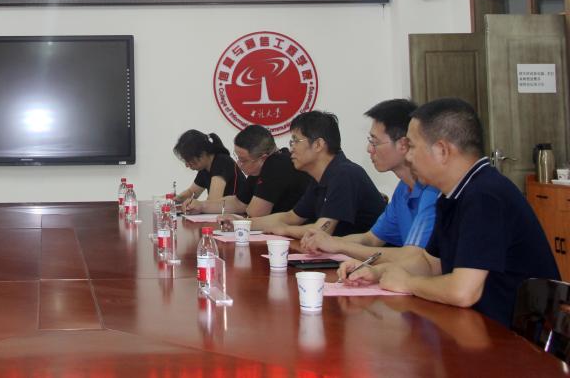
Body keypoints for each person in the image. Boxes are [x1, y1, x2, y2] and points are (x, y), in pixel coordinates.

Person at [341, 98, 559, 327]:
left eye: (412, 146)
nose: (408, 157)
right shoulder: (452, 194)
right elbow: (430, 264)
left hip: (517, 337)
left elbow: (463, 292)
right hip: (477, 326)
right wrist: (377, 271)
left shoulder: (484, 195)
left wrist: (408, 283)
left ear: (442, 150)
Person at [301, 99, 440, 259]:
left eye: (374, 142)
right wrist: (325, 241)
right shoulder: (403, 189)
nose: (369, 149)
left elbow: (415, 257)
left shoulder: (432, 191)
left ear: (403, 144)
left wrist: (338, 245)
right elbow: (371, 239)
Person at [239, 111, 386, 238]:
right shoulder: (319, 177)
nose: (291, 149)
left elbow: (322, 230)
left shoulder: (344, 173)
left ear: (318, 145)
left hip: (370, 257)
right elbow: (292, 217)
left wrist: (284, 230)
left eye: (295, 141)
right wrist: (242, 224)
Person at [233, 124, 312, 218]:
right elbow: (239, 202)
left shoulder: (277, 164)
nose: (238, 164)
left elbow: (255, 213)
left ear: (263, 158)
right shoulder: (260, 168)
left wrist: (237, 217)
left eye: (243, 160)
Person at [172, 130, 251, 214]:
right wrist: (176, 200)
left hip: (238, 215)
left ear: (202, 154)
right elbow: (192, 192)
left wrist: (198, 205)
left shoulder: (222, 162)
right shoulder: (205, 168)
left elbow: (213, 201)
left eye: (189, 160)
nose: (187, 165)